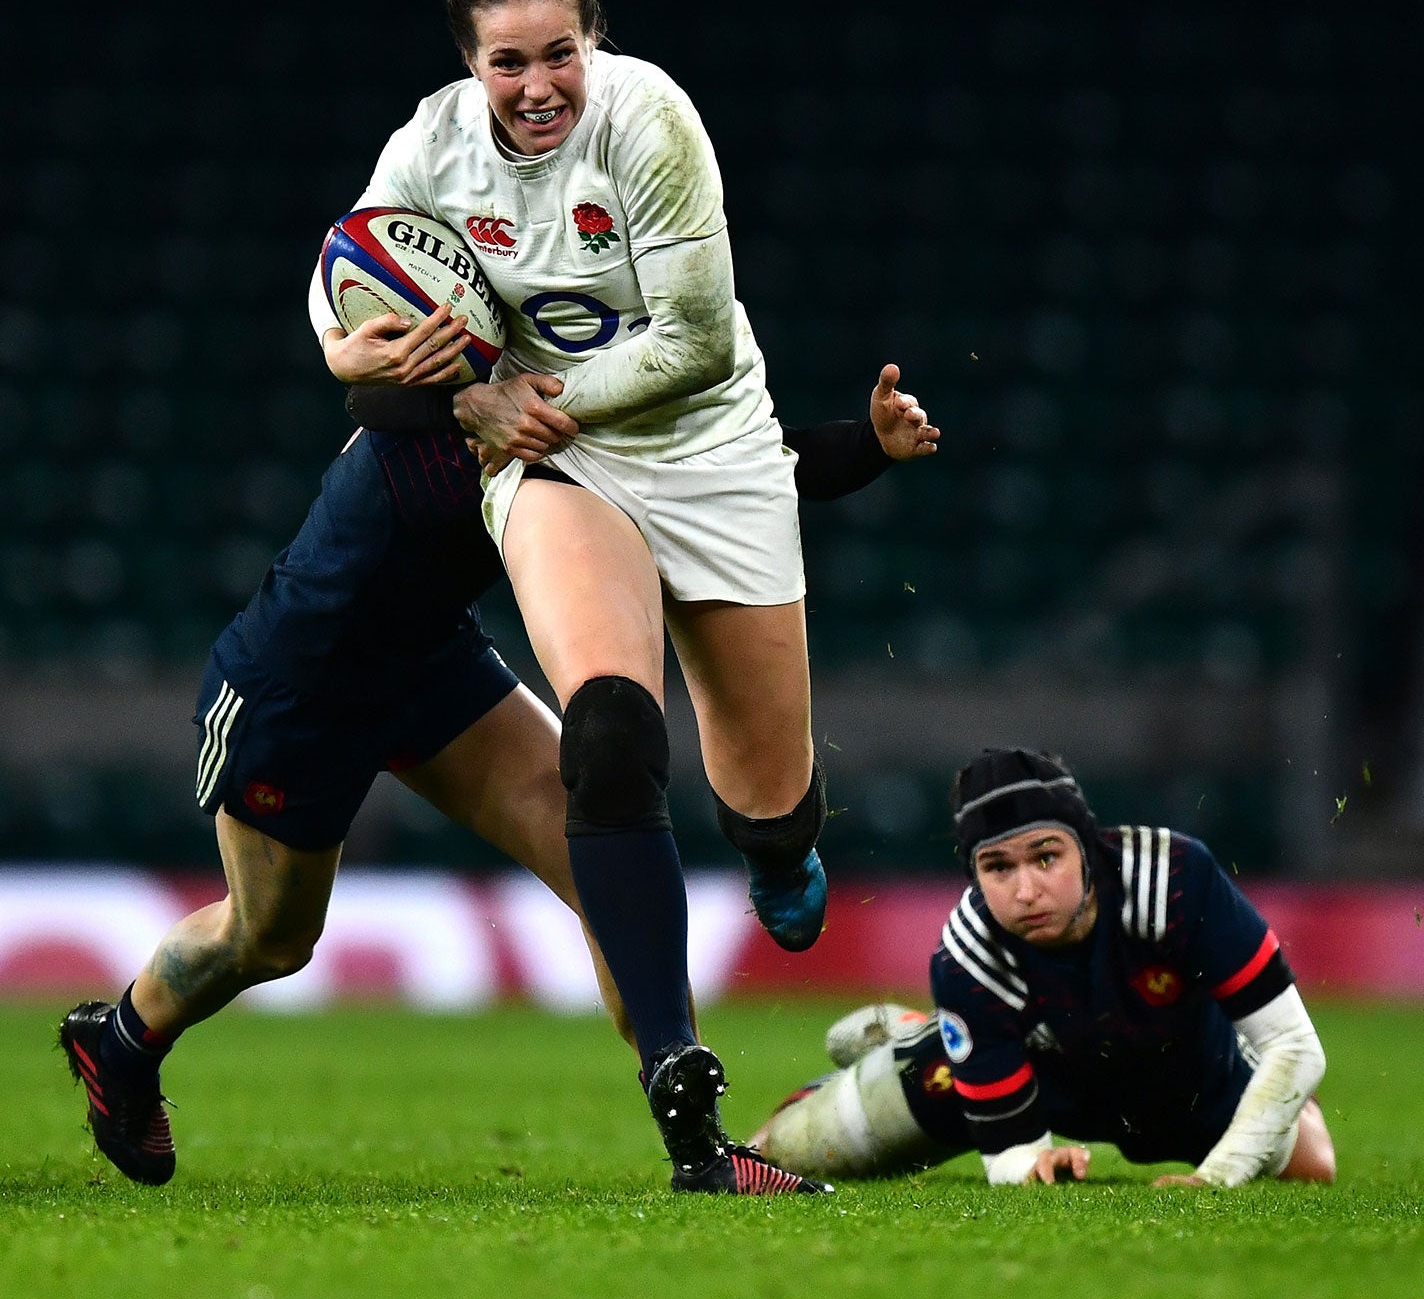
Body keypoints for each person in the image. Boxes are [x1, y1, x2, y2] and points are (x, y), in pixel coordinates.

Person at [60, 356, 938, 1196]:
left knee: (602, 844)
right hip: (303, 682)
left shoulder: (570, 371)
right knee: (272, 938)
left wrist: (863, 443)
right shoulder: (451, 373)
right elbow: (376, 396)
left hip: (435, 665)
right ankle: (123, 1043)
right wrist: (455, 395)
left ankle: (701, 1145)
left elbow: (711, 469)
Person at [314, 0, 855, 1190]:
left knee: (761, 799)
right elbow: (348, 303)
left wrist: (521, 400)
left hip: (709, 448)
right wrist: (407, 375)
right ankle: (678, 1081)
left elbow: (700, 342)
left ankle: (780, 844)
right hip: (557, 465)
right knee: (610, 735)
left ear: (591, 39)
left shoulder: (651, 118)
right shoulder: (432, 149)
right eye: (511, 61)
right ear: (470, 64)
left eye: (561, 51)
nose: (540, 85)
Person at [748, 748, 1335, 1188]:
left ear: (1088, 846)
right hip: (1045, 1080)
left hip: (1185, 1077)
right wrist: (1031, 1162)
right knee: (792, 1150)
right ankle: (926, 1043)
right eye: (997, 867)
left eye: (1046, 856)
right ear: (974, 873)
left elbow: (1296, 1046)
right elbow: (1009, 1153)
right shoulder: (968, 957)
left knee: (1315, 1168)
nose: (1026, 890)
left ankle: (924, 1030)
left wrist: (1219, 1176)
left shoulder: (1175, 880)